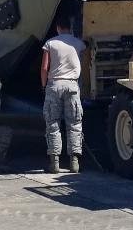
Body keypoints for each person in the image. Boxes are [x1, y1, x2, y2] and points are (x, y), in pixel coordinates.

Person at [41, 16, 87, 173]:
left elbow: (44, 68)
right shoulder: (79, 43)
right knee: (74, 123)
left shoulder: (50, 43)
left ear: (58, 28)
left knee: (53, 123)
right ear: (70, 27)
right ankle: (74, 162)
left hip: (54, 84)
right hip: (72, 86)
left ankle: (54, 162)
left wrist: (43, 85)